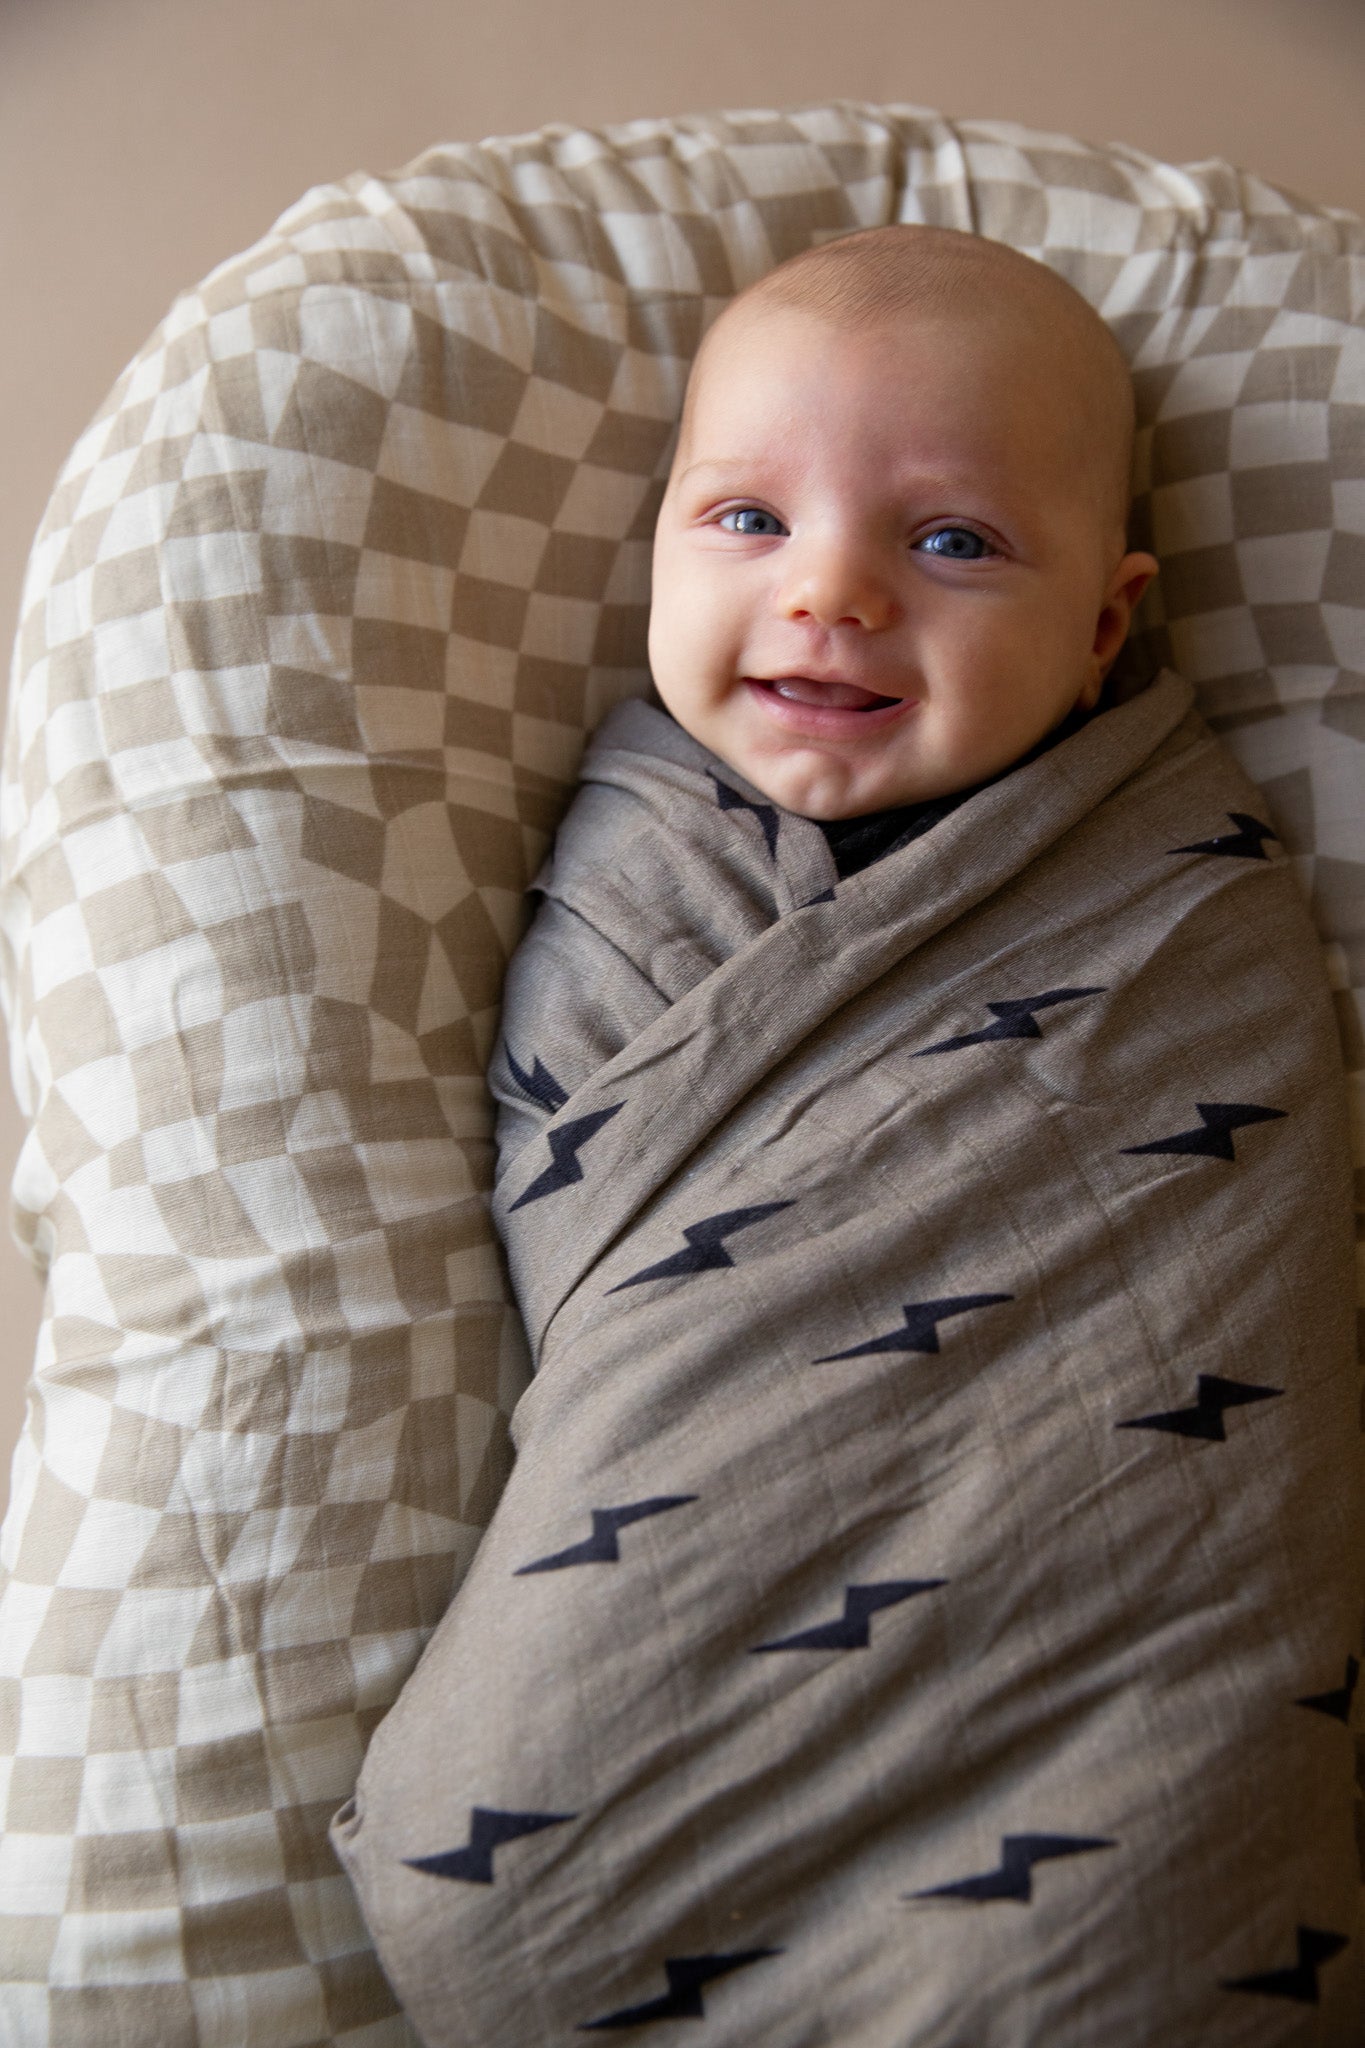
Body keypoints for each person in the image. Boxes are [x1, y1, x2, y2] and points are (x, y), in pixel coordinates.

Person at [489, 223, 1161, 1161]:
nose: (829, 593)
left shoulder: (1167, 872)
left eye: (953, 542)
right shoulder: (634, 859)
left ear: (1099, 630)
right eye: (753, 520)